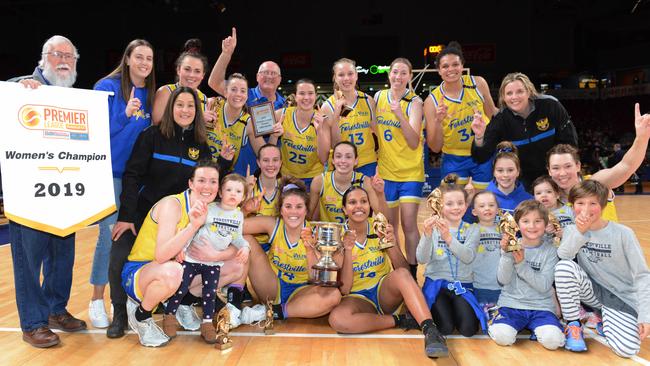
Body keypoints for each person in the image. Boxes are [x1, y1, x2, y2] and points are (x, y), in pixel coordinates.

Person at [106, 87, 214, 338]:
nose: (185, 110)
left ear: (196, 111)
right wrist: (126, 216)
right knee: (119, 250)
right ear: (171, 108)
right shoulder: (151, 136)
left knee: (193, 260)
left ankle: (177, 305)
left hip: (179, 222)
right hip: (144, 215)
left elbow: (208, 180)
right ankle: (121, 313)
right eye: (180, 105)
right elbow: (132, 175)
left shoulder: (201, 145)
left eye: (190, 106)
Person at [7, 34, 87, 348]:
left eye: (70, 56)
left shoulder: (72, 98)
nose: (64, 61)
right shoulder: (24, 87)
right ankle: (33, 323)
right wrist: (17, 83)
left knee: (62, 256)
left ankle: (56, 309)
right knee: (29, 257)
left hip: (65, 190)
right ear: (43, 58)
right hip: (29, 192)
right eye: (57, 55)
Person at [122, 160, 245, 347]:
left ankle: (183, 304)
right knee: (174, 271)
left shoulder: (211, 208)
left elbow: (235, 240)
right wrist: (193, 226)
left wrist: (215, 256)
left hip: (178, 269)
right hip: (141, 271)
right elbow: (161, 256)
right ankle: (141, 315)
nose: (207, 186)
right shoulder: (173, 205)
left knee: (236, 265)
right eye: (201, 180)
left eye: (213, 181)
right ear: (191, 183)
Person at [325, 186, 448, 358]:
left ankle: (430, 329)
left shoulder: (378, 227)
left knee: (402, 275)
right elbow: (345, 289)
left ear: (369, 206)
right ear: (344, 209)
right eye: (352, 202)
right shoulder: (337, 236)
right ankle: (401, 320)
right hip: (357, 298)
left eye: (363, 201)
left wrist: (391, 244)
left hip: (384, 292)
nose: (359, 206)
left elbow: (404, 270)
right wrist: (346, 250)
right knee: (338, 320)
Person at [90, 38, 156, 330]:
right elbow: (95, 129)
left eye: (149, 59)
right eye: (139, 57)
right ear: (127, 58)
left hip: (136, 178)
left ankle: (128, 297)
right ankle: (96, 299)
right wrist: (125, 113)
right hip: (109, 173)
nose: (144, 63)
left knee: (132, 239)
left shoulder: (151, 93)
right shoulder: (107, 87)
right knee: (110, 235)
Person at [555, 180, 650, 357]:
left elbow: (643, 276)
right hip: (593, 294)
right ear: (572, 205)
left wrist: (645, 315)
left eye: (593, 203)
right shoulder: (571, 230)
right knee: (564, 268)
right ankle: (574, 325)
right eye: (580, 203)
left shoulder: (624, 233)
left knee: (627, 349)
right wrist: (580, 232)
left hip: (620, 297)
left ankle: (604, 321)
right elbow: (564, 255)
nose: (586, 209)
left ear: (603, 205)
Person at [163, 173, 250, 344]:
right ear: (220, 193)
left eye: (238, 191)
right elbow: (192, 228)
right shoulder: (209, 208)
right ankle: (169, 316)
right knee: (181, 288)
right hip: (192, 258)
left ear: (243, 196)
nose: (233, 194)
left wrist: (245, 246)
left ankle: (207, 324)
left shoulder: (238, 216)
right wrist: (182, 247)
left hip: (213, 262)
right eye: (229, 190)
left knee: (209, 294)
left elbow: (237, 238)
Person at [242, 178, 341, 323]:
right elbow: (234, 227)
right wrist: (245, 210)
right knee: (245, 239)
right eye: (288, 206)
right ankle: (235, 297)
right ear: (280, 210)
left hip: (301, 291)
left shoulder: (317, 234)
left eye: (299, 206)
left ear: (306, 209)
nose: (293, 212)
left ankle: (272, 313)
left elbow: (317, 279)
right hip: (271, 285)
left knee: (334, 296)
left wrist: (309, 249)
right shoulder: (272, 224)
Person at [471, 72, 579, 188]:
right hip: (524, 181)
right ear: (503, 97)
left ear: (529, 91)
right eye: (509, 93)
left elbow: (570, 144)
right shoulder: (500, 120)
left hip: (555, 174)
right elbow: (480, 157)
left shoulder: (550, 105)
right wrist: (479, 136)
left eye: (519, 91)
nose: (514, 97)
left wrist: (564, 172)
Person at [546, 104, 650, 221]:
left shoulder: (596, 184)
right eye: (556, 168)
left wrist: (641, 138)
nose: (562, 173)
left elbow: (626, 166)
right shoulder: (548, 198)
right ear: (549, 171)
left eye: (568, 166)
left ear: (578, 166)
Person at [488, 200, 565, 350]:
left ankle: (542, 328)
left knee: (553, 341)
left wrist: (522, 264)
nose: (532, 226)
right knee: (503, 337)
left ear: (545, 224)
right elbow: (503, 280)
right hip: (511, 305)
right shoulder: (511, 246)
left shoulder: (551, 250)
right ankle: (495, 316)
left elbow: (543, 286)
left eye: (537, 221)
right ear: (516, 225)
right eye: (526, 221)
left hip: (541, 307)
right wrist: (506, 254)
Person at [208, 27, 286, 175]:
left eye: (273, 73)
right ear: (257, 77)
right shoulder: (242, 93)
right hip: (229, 172)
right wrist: (226, 54)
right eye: (265, 73)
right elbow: (214, 82)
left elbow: (265, 152)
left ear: (280, 80)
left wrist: (276, 135)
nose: (269, 76)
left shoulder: (286, 106)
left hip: (260, 175)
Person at [416, 174, 485, 337]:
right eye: (450, 203)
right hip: (437, 285)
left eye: (460, 203)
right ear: (439, 206)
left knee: (468, 330)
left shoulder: (472, 229)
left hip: (462, 286)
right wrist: (426, 235)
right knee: (445, 328)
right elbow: (421, 259)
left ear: (466, 205)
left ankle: (455, 310)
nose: (456, 207)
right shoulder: (432, 228)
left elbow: (468, 256)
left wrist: (448, 238)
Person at [374, 57, 424, 279]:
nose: (398, 77)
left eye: (403, 73)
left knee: (409, 223)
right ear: (389, 74)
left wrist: (399, 115)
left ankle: (412, 270)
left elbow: (414, 141)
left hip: (410, 172)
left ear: (410, 77)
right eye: (395, 72)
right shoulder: (379, 97)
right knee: (390, 225)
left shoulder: (415, 102)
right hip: (386, 171)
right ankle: (396, 269)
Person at [424, 41, 498, 189]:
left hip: (482, 152)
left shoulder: (478, 83)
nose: (451, 69)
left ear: (462, 66)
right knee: (454, 206)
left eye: (455, 64)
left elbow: (493, 115)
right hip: (453, 158)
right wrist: (438, 121)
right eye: (445, 66)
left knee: (485, 205)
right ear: (438, 70)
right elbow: (435, 147)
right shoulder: (432, 101)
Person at [205, 73, 282, 175]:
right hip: (199, 170)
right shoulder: (211, 105)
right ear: (225, 92)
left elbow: (266, 155)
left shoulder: (248, 122)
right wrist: (199, 117)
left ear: (246, 96)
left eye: (243, 91)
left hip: (223, 174)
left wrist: (274, 135)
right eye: (233, 89)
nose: (238, 94)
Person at [321, 58, 377, 177]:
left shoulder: (368, 101)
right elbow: (335, 145)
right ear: (335, 78)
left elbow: (379, 134)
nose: (346, 78)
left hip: (367, 163)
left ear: (356, 76)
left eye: (350, 74)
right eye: (341, 75)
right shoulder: (327, 106)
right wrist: (336, 115)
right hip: (341, 165)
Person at [308, 141, 387, 223]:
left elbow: (383, 218)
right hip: (331, 233)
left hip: (358, 233)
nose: (343, 161)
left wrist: (380, 194)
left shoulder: (365, 182)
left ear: (356, 161)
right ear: (333, 160)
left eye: (348, 157)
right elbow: (308, 215)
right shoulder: (320, 181)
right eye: (338, 156)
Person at [275, 79, 330, 189]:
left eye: (310, 93)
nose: (306, 98)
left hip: (313, 178)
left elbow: (324, 159)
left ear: (315, 96)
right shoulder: (281, 115)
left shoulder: (323, 120)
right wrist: (274, 134)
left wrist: (319, 131)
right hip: (287, 177)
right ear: (295, 96)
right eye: (301, 93)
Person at [152, 39, 216, 126]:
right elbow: (158, 125)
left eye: (197, 71)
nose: (191, 75)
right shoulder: (165, 92)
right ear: (178, 70)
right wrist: (198, 120)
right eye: (187, 69)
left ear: (203, 75)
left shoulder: (203, 99)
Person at [469, 191, 502, 310]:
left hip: (502, 287)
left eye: (491, 205)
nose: (487, 208)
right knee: (484, 318)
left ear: (498, 209)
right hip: (479, 286)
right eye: (482, 206)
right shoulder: (471, 231)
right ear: (474, 211)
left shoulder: (505, 231)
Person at [485, 141, 532, 214]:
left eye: (510, 170)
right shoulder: (483, 198)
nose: (505, 175)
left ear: (518, 172)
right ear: (494, 172)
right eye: (500, 170)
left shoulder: (529, 201)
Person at [532, 175, 574, 241]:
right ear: (534, 197)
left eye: (549, 192)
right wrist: (545, 232)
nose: (543, 195)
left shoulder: (570, 210)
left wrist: (565, 233)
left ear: (557, 195)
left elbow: (580, 230)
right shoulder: (535, 216)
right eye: (538, 193)